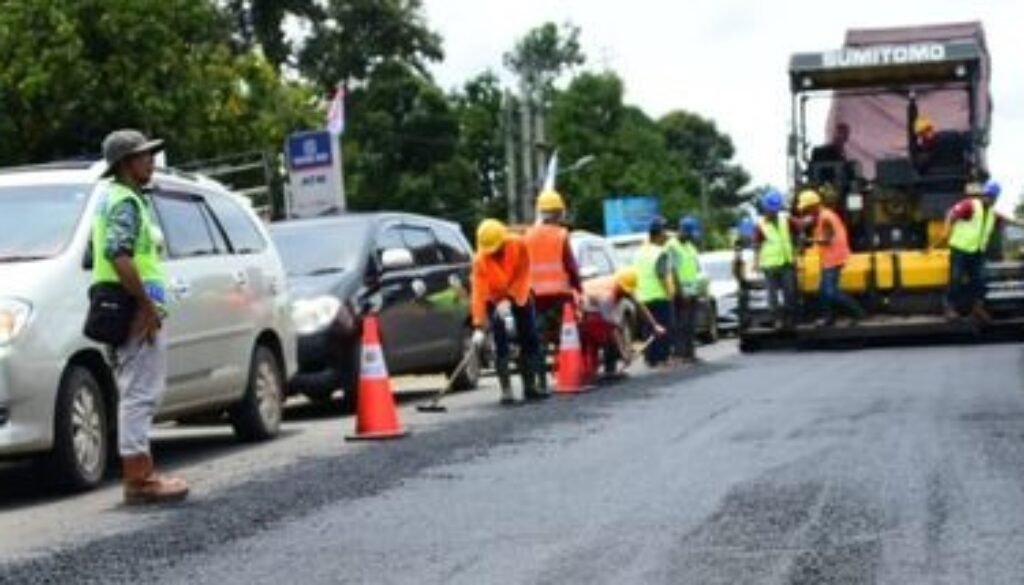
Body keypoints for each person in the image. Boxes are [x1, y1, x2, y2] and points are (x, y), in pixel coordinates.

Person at [92, 129, 188, 505]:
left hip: (124, 305)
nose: (151, 160)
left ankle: (141, 472)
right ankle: (139, 479)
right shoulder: (126, 203)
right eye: (143, 155)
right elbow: (118, 255)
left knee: (139, 390)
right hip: (134, 310)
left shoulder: (117, 198)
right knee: (139, 394)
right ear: (125, 164)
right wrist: (146, 306)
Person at [471, 219, 548, 404]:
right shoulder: (480, 259)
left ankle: (530, 386)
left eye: (496, 247)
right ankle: (506, 390)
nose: (493, 252)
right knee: (500, 340)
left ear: (504, 239)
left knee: (529, 336)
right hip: (494, 300)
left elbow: (523, 274)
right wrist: (479, 324)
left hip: (519, 293)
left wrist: (510, 297)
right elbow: (479, 293)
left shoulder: (518, 245)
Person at [524, 189, 582, 384]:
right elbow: (570, 265)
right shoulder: (561, 234)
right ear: (559, 212)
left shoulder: (528, 235)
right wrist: (578, 288)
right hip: (560, 296)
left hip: (535, 296)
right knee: (565, 337)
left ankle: (541, 381)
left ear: (540, 212)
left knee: (539, 339)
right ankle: (565, 374)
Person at [935, 180, 1004, 322]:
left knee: (980, 280)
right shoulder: (970, 205)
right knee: (956, 279)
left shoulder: (991, 213)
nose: (988, 198)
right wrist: (947, 229)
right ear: (983, 194)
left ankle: (977, 307)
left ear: (996, 198)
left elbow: (1006, 220)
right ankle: (949, 308)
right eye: (987, 195)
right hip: (960, 249)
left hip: (977, 252)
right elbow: (951, 213)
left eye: (992, 196)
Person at [579, 268, 667, 375]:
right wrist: (624, 355)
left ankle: (609, 369)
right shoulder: (607, 296)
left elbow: (639, 305)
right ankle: (600, 368)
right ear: (619, 285)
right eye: (625, 290)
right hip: (584, 306)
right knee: (606, 336)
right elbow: (612, 329)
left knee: (614, 329)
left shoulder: (621, 285)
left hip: (595, 305)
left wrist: (654, 325)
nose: (627, 293)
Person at [797, 189, 865, 326]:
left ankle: (857, 312)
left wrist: (809, 240)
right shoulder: (823, 215)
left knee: (830, 291)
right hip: (829, 257)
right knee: (823, 290)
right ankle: (828, 318)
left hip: (834, 258)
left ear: (813, 206)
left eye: (806, 208)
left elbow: (827, 239)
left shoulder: (825, 218)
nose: (805, 212)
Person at [632, 217, 676, 367]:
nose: (667, 236)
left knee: (649, 330)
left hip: (643, 298)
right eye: (665, 233)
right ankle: (663, 359)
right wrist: (670, 293)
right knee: (664, 328)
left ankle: (650, 359)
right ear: (658, 234)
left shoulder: (639, 252)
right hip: (659, 296)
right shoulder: (660, 253)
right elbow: (662, 274)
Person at [753, 189, 798, 330]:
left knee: (789, 292)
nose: (774, 212)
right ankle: (777, 320)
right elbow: (756, 245)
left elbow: (799, 227)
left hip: (786, 262)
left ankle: (790, 319)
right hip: (770, 265)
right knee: (772, 295)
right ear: (765, 208)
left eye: (776, 209)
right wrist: (756, 263)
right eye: (771, 209)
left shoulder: (785, 218)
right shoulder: (760, 224)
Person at [667, 216, 703, 362]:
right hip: (680, 292)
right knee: (681, 324)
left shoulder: (690, 246)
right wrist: (680, 291)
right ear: (683, 231)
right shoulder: (672, 246)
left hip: (692, 291)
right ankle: (681, 353)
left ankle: (691, 352)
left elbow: (695, 269)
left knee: (691, 323)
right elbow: (673, 270)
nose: (691, 237)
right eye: (690, 234)